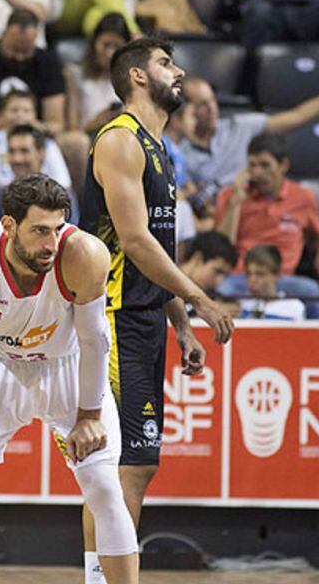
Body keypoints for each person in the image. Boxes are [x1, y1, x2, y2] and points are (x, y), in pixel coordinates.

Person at [0, 174, 140, 584]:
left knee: (104, 486)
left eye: (58, 229)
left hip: (67, 364)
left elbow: (95, 341)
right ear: (8, 226)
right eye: (40, 231)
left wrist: (89, 414)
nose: (51, 243)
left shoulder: (85, 255)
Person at [79, 37, 234, 584]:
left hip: (145, 316)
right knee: (117, 467)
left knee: (137, 465)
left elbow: (155, 253)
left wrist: (182, 325)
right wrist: (199, 296)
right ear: (138, 78)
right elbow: (135, 243)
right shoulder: (120, 141)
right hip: (114, 316)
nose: (180, 69)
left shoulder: (159, 148)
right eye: (166, 63)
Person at [179, 73, 319, 209]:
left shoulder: (239, 126)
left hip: (251, 212)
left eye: (212, 100)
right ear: (188, 109)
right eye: (202, 104)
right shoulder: (179, 150)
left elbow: (296, 117)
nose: (212, 108)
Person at [0, 10, 89, 192]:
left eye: (25, 50)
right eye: (14, 49)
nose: (19, 56)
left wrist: (31, 125)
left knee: (77, 142)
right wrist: (3, 123)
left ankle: (76, 210)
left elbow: (57, 123)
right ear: (3, 35)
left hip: (37, 135)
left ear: (35, 40)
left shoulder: (47, 62)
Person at [214, 133, 319, 278]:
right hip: (242, 278)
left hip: (284, 280)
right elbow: (220, 250)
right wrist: (235, 202)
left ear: (283, 165)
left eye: (265, 165)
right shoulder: (230, 196)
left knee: (311, 291)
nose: (257, 173)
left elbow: (318, 238)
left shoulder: (303, 198)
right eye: (252, 165)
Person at [0, 90, 73, 212]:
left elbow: (64, 190)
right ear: (0, 115)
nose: (20, 115)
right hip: (2, 212)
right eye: (14, 110)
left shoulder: (49, 146)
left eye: (26, 111)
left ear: (35, 116)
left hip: (46, 211)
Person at [0, 123, 79, 224]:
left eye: (24, 151)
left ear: (41, 153)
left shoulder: (62, 196)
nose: (17, 159)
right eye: (12, 151)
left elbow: (73, 236)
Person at [69, 12, 130, 134]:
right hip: (87, 137)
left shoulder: (131, 78)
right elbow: (72, 130)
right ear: (94, 43)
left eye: (116, 47)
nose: (110, 53)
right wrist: (97, 122)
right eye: (105, 45)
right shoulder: (74, 74)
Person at [238, 244, 307, 320]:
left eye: (260, 274)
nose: (252, 279)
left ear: (276, 275)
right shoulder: (239, 305)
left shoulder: (294, 307)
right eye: (248, 274)